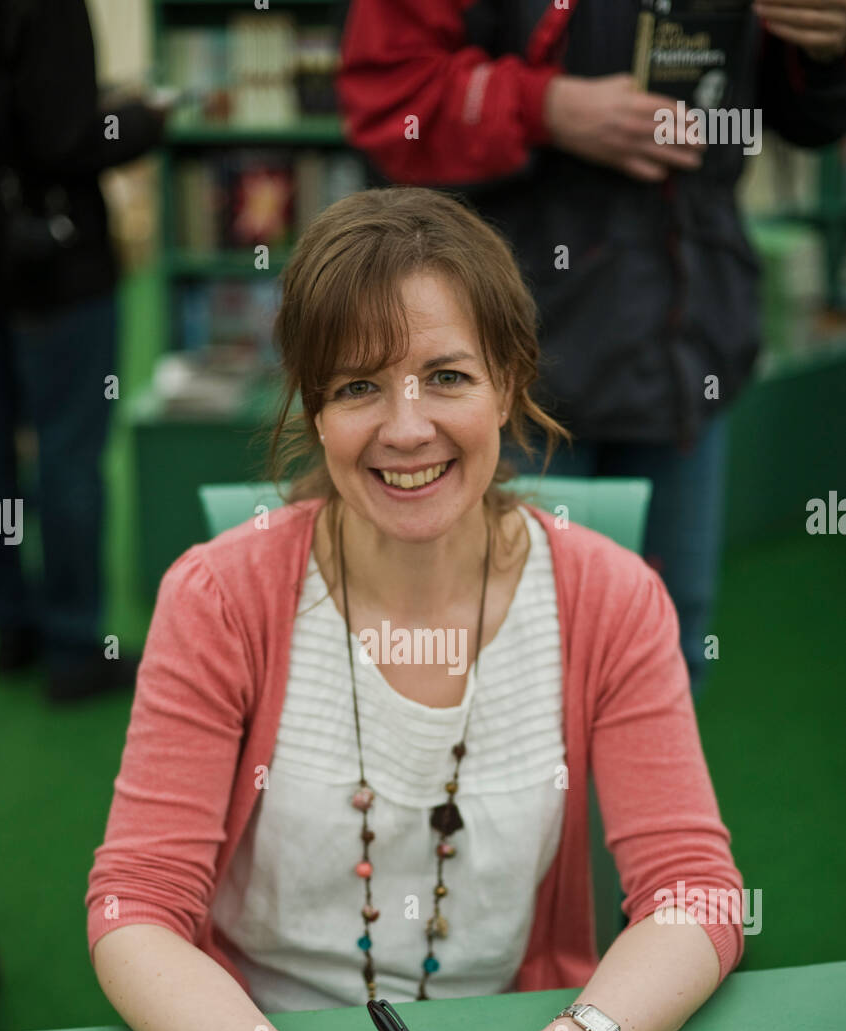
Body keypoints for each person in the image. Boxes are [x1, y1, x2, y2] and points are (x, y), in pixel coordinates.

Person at [87, 187, 744, 1031]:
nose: (406, 428)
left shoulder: (611, 599)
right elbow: (134, 907)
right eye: (357, 387)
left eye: (445, 376)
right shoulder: (220, 597)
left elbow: (695, 892)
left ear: (508, 382)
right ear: (311, 404)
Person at [335, 0, 846, 690]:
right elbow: (389, 104)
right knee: (503, 665)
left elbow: (797, 116)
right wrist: (544, 106)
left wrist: (823, 53)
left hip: (682, 352)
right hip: (507, 369)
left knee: (663, 654)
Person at [0, 0, 168, 700]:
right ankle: (71, 645)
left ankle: (14, 624)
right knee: (67, 454)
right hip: (52, 269)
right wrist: (142, 119)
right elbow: (60, 138)